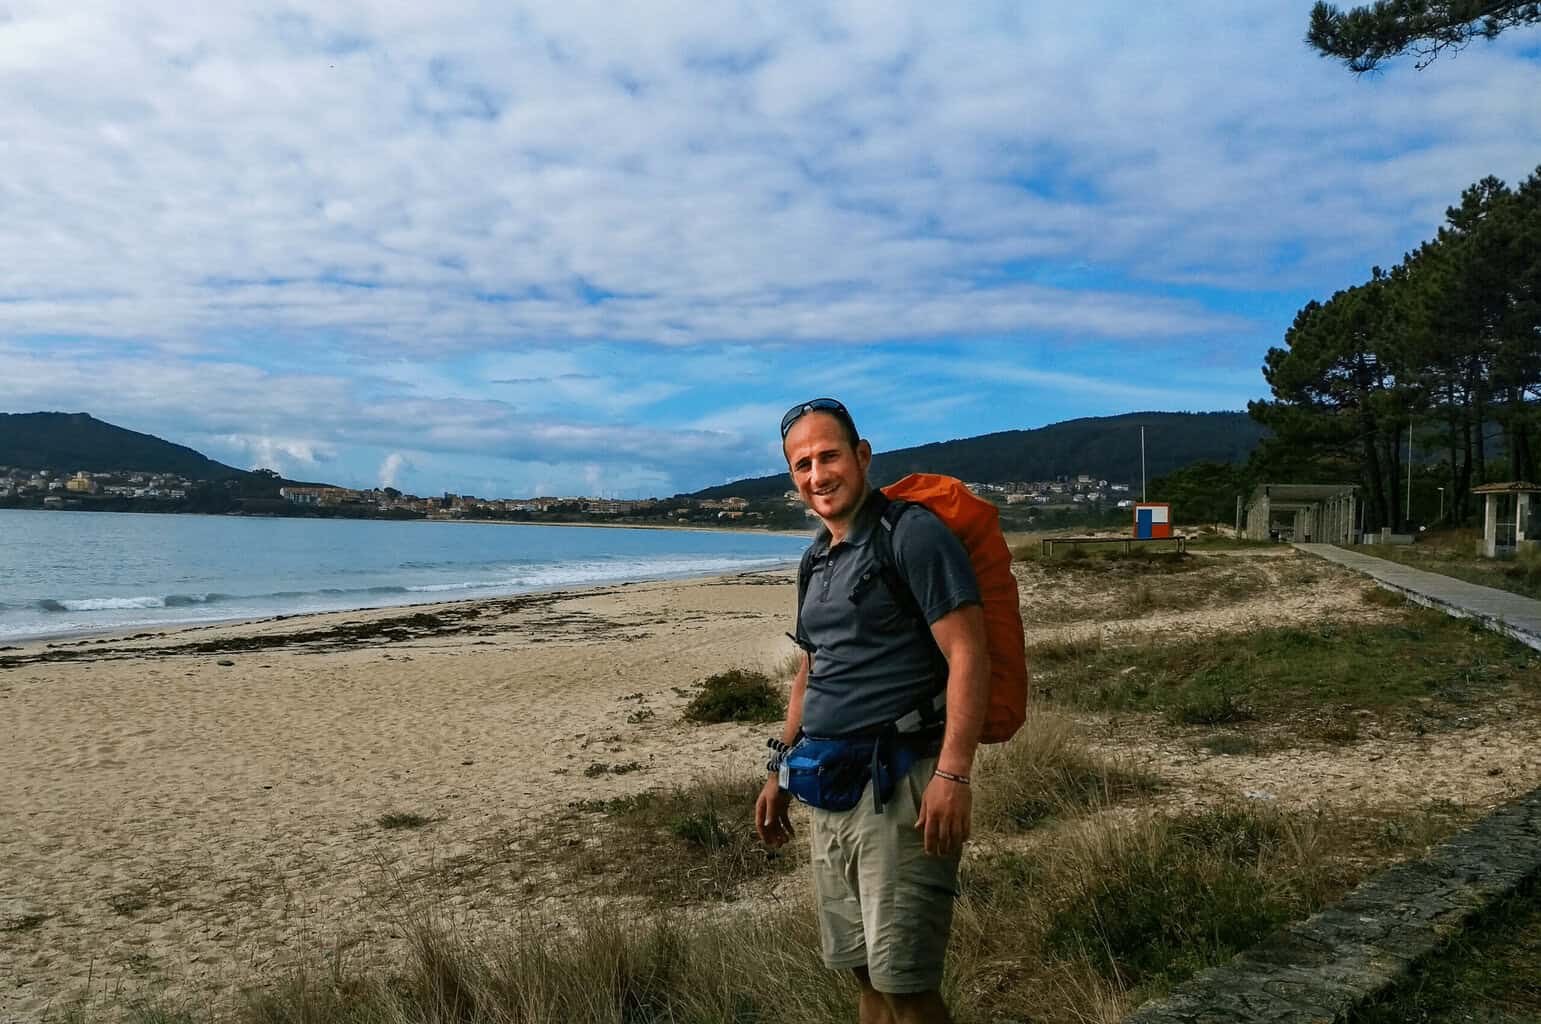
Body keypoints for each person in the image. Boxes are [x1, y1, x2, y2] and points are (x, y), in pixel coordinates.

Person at [755, 398, 989, 1024]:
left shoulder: (911, 535)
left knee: (905, 982)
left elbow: (969, 656)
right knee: (863, 975)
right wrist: (778, 767)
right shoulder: (816, 559)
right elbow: (813, 667)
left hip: (902, 788)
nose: (817, 474)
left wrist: (953, 773)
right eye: (802, 465)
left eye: (828, 456)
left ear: (862, 456)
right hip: (827, 785)